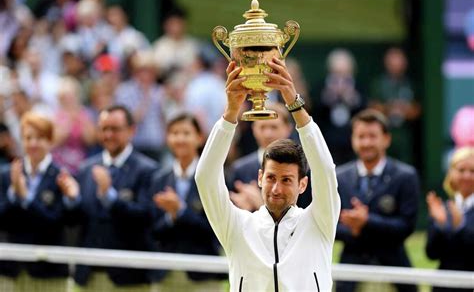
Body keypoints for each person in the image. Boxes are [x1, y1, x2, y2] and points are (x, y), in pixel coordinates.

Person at [195, 57, 340, 291]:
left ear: (303, 185)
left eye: (287, 180)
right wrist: (230, 113)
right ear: (260, 177)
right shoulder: (236, 224)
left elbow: (325, 170)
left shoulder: (319, 220)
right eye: (271, 178)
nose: (276, 188)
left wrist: (294, 103)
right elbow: (205, 177)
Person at [57, 105, 159, 292]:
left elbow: (146, 217)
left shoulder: (147, 170)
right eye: (104, 129)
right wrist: (71, 201)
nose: (109, 135)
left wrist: (110, 197)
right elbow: (75, 222)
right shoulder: (86, 168)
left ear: (131, 130)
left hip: (129, 278)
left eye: (115, 129)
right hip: (89, 275)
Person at [335, 108, 420, 292]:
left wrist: (367, 222)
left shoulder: (406, 176)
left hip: (395, 269)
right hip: (350, 271)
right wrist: (354, 230)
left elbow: (407, 226)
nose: (366, 142)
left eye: (372, 136)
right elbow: (330, 226)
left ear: (386, 139)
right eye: (361, 136)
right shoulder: (339, 177)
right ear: (352, 139)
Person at [151, 112, 225, 292]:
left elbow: (217, 227)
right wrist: (171, 217)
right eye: (175, 133)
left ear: (199, 138)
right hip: (166, 273)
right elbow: (152, 227)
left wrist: (181, 211)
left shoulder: (214, 177)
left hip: (203, 273)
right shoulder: (159, 179)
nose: (180, 139)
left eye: (186, 133)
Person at [0, 112, 68, 292]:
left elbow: (56, 222)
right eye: (28, 138)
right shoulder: (7, 174)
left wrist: (26, 197)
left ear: (50, 141)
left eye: (40, 138)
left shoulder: (62, 177)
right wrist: (14, 195)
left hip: (48, 273)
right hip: (10, 271)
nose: (33, 144)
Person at [227, 102, 312, 211]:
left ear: (288, 129)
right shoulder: (239, 169)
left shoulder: (303, 167)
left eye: (274, 127)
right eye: (262, 127)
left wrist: (260, 205)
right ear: (253, 129)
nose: (268, 134)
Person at [426, 147, 474, 292]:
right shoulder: (443, 209)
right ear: (451, 173)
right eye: (461, 170)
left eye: (472, 171)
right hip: (444, 286)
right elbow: (431, 254)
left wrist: (461, 227)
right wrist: (440, 226)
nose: (467, 176)